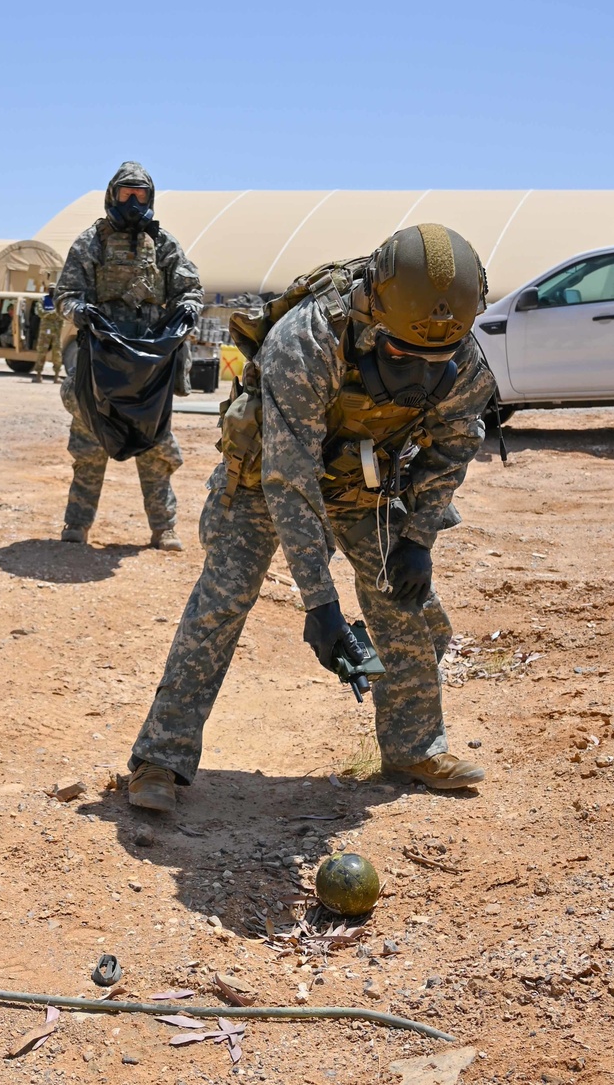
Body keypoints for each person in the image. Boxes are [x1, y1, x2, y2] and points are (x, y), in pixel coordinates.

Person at [126, 223, 498, 809]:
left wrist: (418, 539)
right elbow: (288, 479)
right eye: (404, 352)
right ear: (374, 312)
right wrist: (321, 606)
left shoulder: (461, 348)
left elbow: (455, 444)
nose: (423, 370)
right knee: (221, 602)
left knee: (409, 609)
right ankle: (159, 760)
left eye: (439, 358)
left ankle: (414, 748)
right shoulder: (308, 340)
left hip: (362, 484)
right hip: (265, 479)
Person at [55, 161, 203, 551]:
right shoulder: (92, 241)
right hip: (101, 363)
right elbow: (65, 294)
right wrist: (81, 312)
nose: (134, 203)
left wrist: (189, 309)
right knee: (89, 443)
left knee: (155, 447)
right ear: (112, 196)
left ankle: (164, 527)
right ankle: (76, 525)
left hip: (150, 367)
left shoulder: (164, 243)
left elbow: (191, 288)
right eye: (127, 195)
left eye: (141, 195)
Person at [32, 290, 64, 383]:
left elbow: (62, 314)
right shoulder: (42, 300)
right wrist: (54, 313)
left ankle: (56, 376)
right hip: (44, 332)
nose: (52, 291)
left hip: (57, 331)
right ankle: (38, 375)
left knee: (57, 354)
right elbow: (40, 312)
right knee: (41, 352)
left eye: (53, 289)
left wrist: (48, 314)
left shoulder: (59, 300)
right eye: (50, 289)